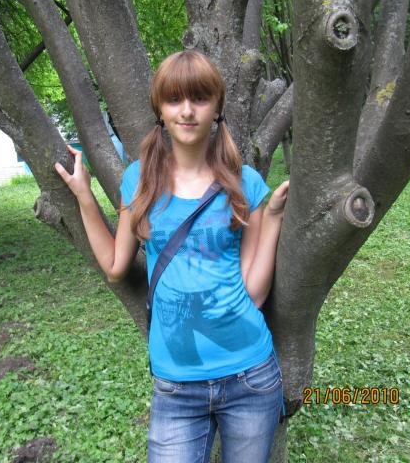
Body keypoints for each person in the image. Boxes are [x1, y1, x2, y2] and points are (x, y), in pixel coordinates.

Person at [55, 50, 289, 463]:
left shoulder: (245, 183)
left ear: (217, 107)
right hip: (177, 386)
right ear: (160, 110)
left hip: (249, 375)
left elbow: (253, 294)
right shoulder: (140, 180)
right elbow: (115, 267)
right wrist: (84, 196)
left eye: (199, 98)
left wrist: (270, 218)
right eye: (174, 99)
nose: (187, 111)